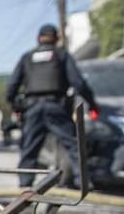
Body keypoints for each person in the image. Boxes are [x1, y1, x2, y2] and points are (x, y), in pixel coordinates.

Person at [5, 23, 98, 187]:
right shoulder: (61, 55)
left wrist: (17, 107)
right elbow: (79, 83)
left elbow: (11, 87)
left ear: (38, 39)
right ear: (56, 38)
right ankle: (83, 181)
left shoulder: (27, 57)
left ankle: (25, 185)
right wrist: (93, 104)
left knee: (29, 147)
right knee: (73, 145)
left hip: (33, 108)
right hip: (56, 106)